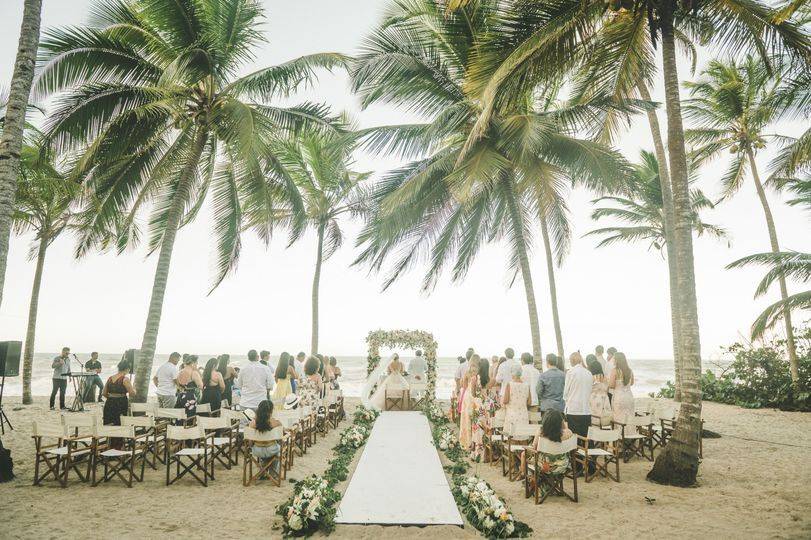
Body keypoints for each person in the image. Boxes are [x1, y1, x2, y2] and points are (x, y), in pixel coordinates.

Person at [103, 358, 136, 448]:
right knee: (119, 424)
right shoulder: (125, 379)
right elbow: (132, 393)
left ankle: (110, 446)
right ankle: (117, 447)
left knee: (110, 424)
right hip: (121, 403)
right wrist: (134, 389)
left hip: (109, 403)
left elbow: (104, 393)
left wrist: (112, 398)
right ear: (127, 369)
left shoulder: (110, 378)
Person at [563, 352, 593, 438]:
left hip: (573, 409)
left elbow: (565, 393)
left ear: (572, 361)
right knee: (584, 437)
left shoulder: (570, 372)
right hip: (586, 409)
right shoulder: (589, 373)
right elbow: (590, 390)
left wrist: (567, 400)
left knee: (573, 438)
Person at [248, 400, 283, 473]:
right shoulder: (276, 422)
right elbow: (280, 439)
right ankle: (273, 472)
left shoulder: (252, 423)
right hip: (272, 450)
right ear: (271, 410)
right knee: (278, 449)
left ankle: (263, 470)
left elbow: (250, 443)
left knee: (265, 451)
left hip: (257, 451)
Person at [501, 363, 530, 433]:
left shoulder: (510, 385)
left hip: (512, 415)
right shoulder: (527, 385)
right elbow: (529, 402)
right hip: (523, 415)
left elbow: (505, 401)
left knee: (511, 439)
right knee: (523, 439)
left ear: (512, 373)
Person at [459, 361, 481, 449]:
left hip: (467, 397)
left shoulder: (467, 374)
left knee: (467, 418)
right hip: (474, 397)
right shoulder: (477, 376)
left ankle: (467, 441)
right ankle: (473, 441)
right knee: (474, 418)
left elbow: (464, 387)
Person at [609, 352, 635, 423]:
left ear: (617, 360)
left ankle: (620, 434)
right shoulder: (629, 370)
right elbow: (632, 383)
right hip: (629, 397)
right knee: (629, 416)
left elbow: (611, 385)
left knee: (618, 417)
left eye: (614, 359)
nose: (613, 360)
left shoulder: (615, 371)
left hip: (619, 397)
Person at [586, 354, 612, 426]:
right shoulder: (604, 377)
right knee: (603, 417)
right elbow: (607, 388)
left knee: (594, 419)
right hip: (604, 398)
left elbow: (588, 389)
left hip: (593, 398)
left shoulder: (591, 377)